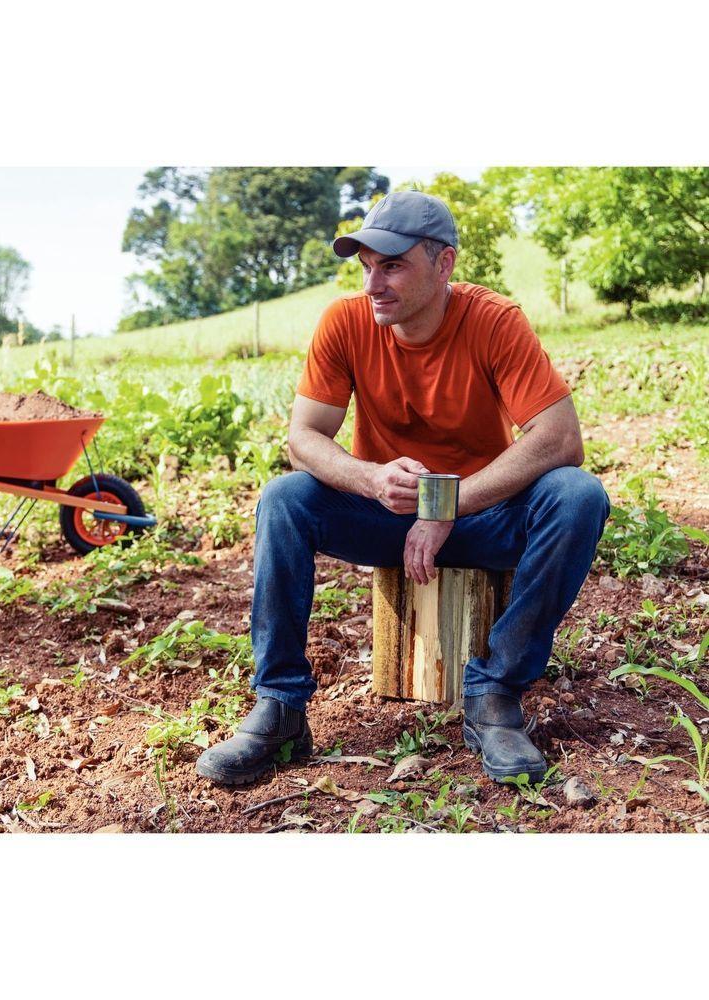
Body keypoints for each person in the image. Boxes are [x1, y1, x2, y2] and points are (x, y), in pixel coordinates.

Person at [195, 190, 610, 787]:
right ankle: (281, 704)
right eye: (366, 266)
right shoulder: (346, 321)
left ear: (444, 265)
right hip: (383, 516)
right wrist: (368, 477)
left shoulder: (494, 321)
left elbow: (560, 438)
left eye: (392, 265)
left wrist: (449, 503)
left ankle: (495, 696)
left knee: (578, 495)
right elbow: (304, 438)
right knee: (284, 499)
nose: (373, 284)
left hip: (481, 514)